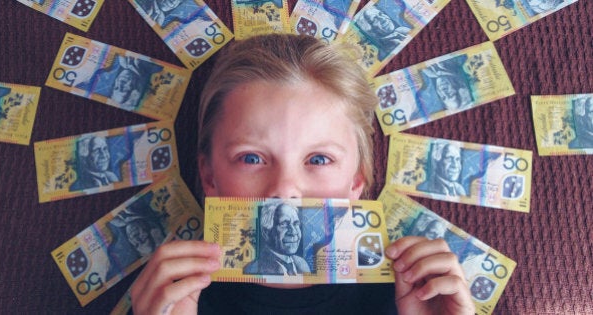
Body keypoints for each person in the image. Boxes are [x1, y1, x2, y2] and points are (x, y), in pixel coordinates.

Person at [130, 34, 474, 315]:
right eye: (251, 158)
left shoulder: (419, 298)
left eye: (319, 159)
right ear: (209, 177)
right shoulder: (170, 302)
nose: (284, 190)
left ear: (357, 181)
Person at [243, 201, 311, 275]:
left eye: (296, 223)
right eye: (284, 224)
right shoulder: (253, 270)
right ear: (266, 232)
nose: (294, 232)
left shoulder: (302, 264)